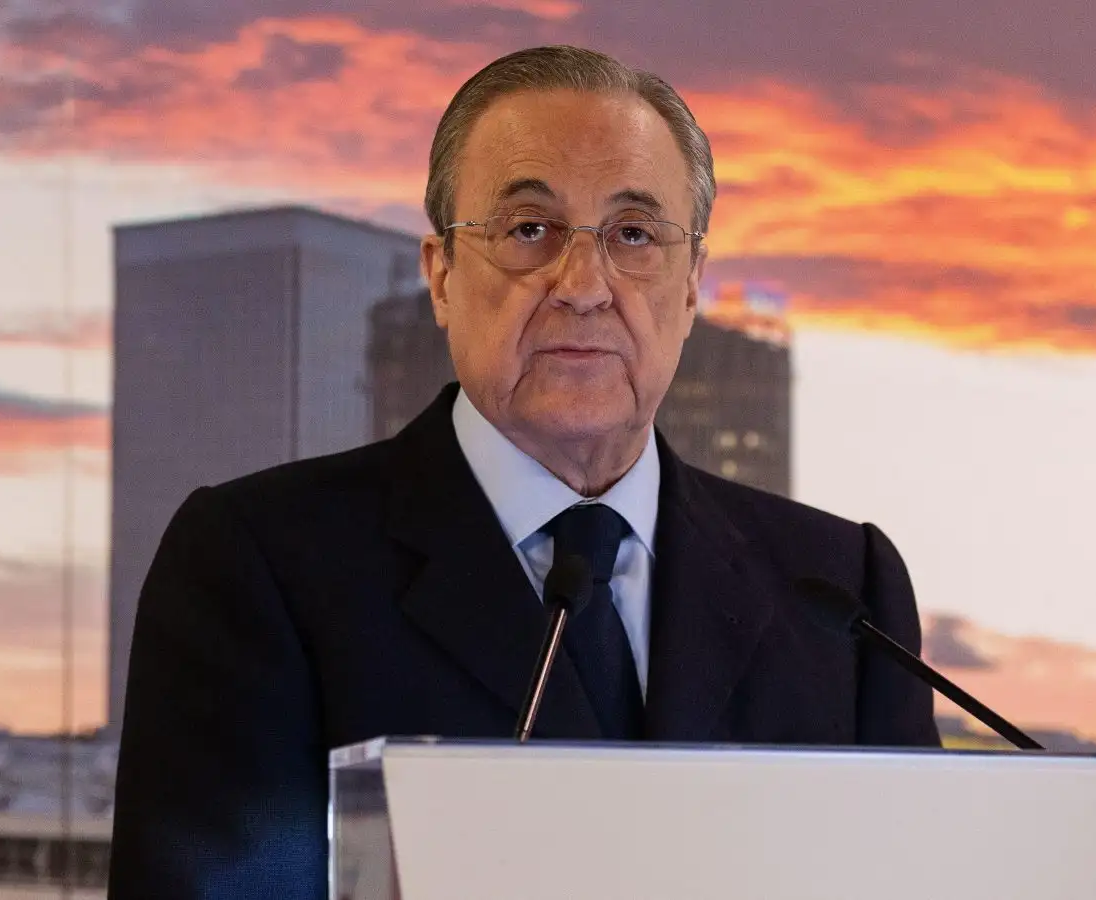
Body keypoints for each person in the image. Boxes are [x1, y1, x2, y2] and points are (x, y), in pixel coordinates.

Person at [108, 44, 939, 899]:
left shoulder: (840, 592)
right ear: (441, 276)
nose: (583, 285)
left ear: (690, 286)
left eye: (634, 236)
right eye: (530, 231)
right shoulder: (262, 565)